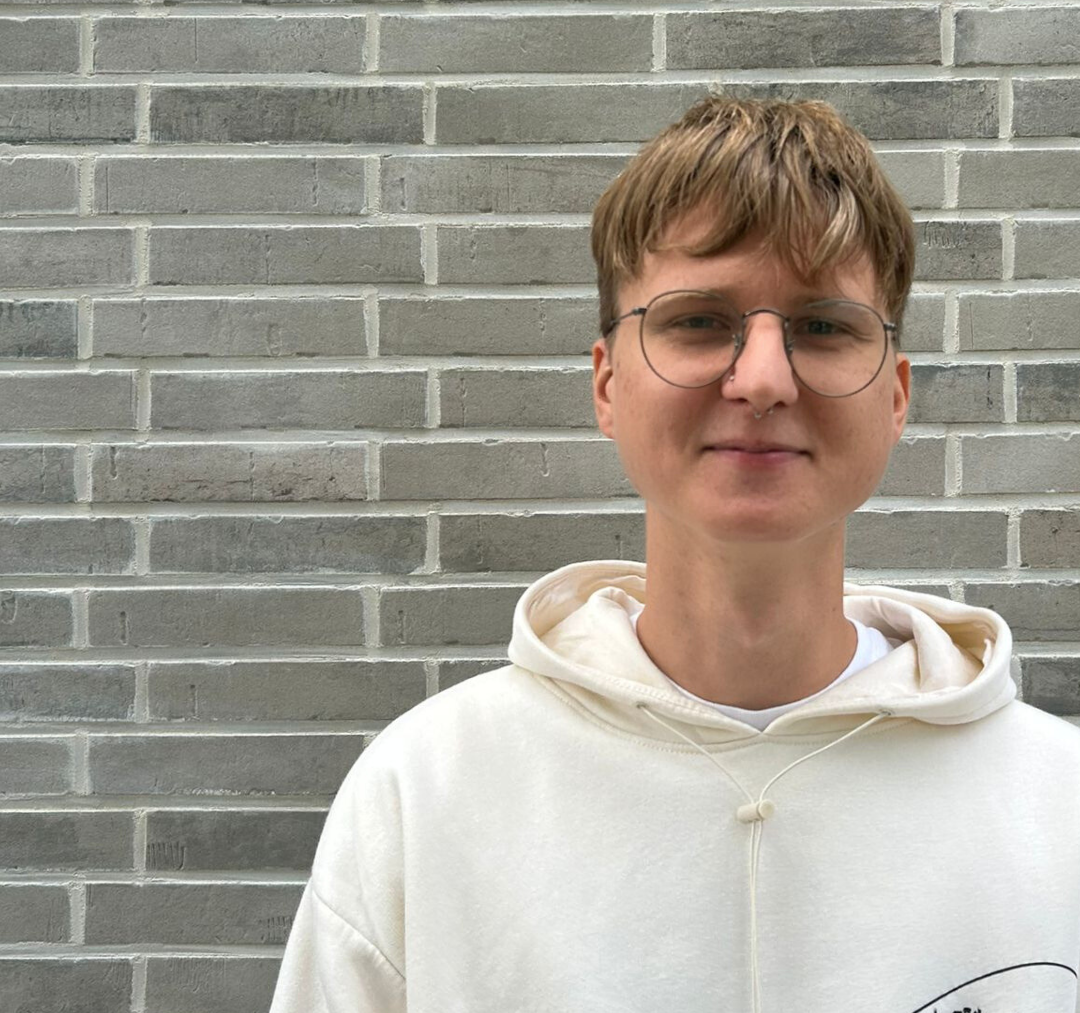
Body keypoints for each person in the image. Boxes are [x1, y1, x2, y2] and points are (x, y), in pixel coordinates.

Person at [269, 97, 1080, 1013]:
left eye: (824, 326)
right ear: (608, 384)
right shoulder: (427, 792)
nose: (763, 379)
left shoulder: (1058, 804)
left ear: (894, 398)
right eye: (698, 321)